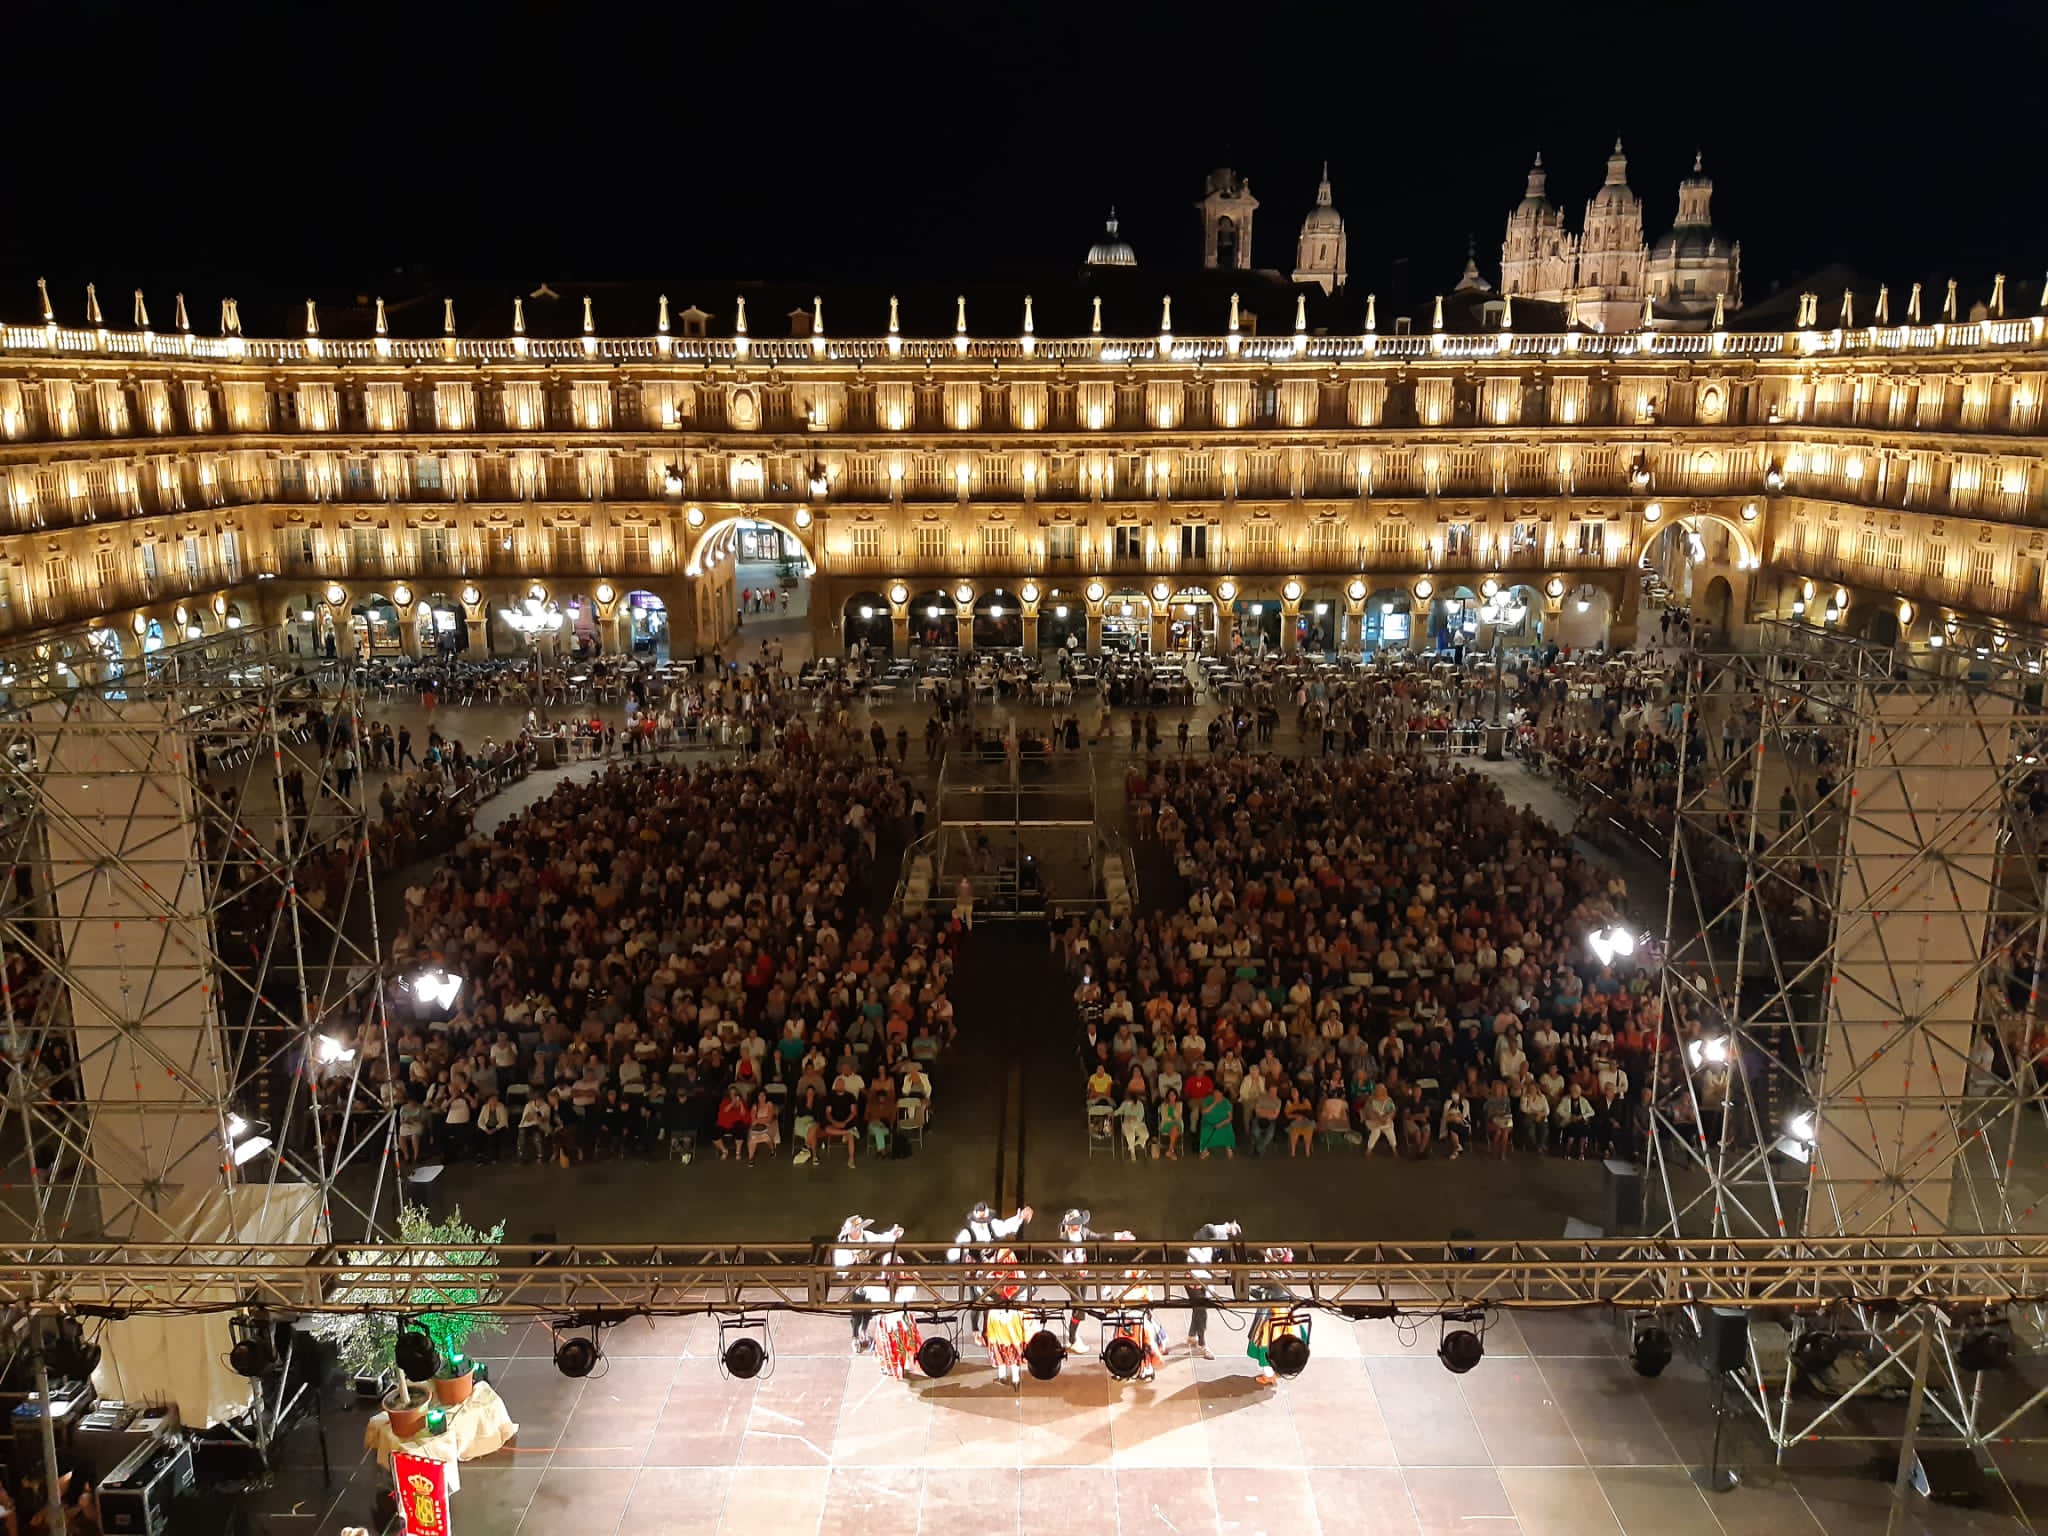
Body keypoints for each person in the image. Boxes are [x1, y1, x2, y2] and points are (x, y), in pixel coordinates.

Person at [832, 1214, 903, 1352]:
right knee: (856, 1311)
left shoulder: (867, 1236)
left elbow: (882, 1239)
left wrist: (893, 1234)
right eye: (855, 1229)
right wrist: (850, 1265)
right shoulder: (843, 1246)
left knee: (869, 1309)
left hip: (868, 1279)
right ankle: (855, 1337)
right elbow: (840, 1266)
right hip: (854, 1281)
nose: (858, 1231)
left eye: (859, 1228)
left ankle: (864, 1331)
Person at [1246, 1247, 1303, 1387]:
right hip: (1284, 1314)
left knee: (1266, 1346)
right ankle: (1274, 1371)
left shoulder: (1274, 1278)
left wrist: (1246, 1289)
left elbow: (1265, 1294)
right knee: (1279, 1346)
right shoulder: (1284, 1273)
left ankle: (1269, 1376)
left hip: (1272, 1318)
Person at [1185, 1220, 1241, 1360]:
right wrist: (1219, 1273)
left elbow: (1218, 1229)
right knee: (1201, 1312)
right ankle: (1202, 1344)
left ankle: (1192, 1336)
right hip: (1194, 1282)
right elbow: (1201, 1272)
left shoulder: (1209, 1235)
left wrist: (1230, 1227)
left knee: (1198, 1309)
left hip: (1205, 1280)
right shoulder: (1193, 1251)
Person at [981, 1249, 1030, 1388]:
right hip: (1010, 1314)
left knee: (1001, 1347)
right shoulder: (1018, 1273)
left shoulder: (994, 1270)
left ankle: (1005, 1377)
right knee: (1010, 1347)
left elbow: (985, 1283)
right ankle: (1014, 1379)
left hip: (1000, 1314)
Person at [1197, 1088, 1236, 1159]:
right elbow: (1203, 1112)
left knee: (1227, 1130)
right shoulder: (1208, 1100)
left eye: (1219, 1093)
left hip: (1223, 1122)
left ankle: (1228, 1148)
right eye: (1215, 1092)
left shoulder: (1226, 1102)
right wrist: (1214, 1103)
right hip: (1209, 1122)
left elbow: (1230, 1118)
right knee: (1206, 1130)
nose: (1217, 1094)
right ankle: (1205, 1150)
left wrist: (1221, 1124)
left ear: (1222, 1093)